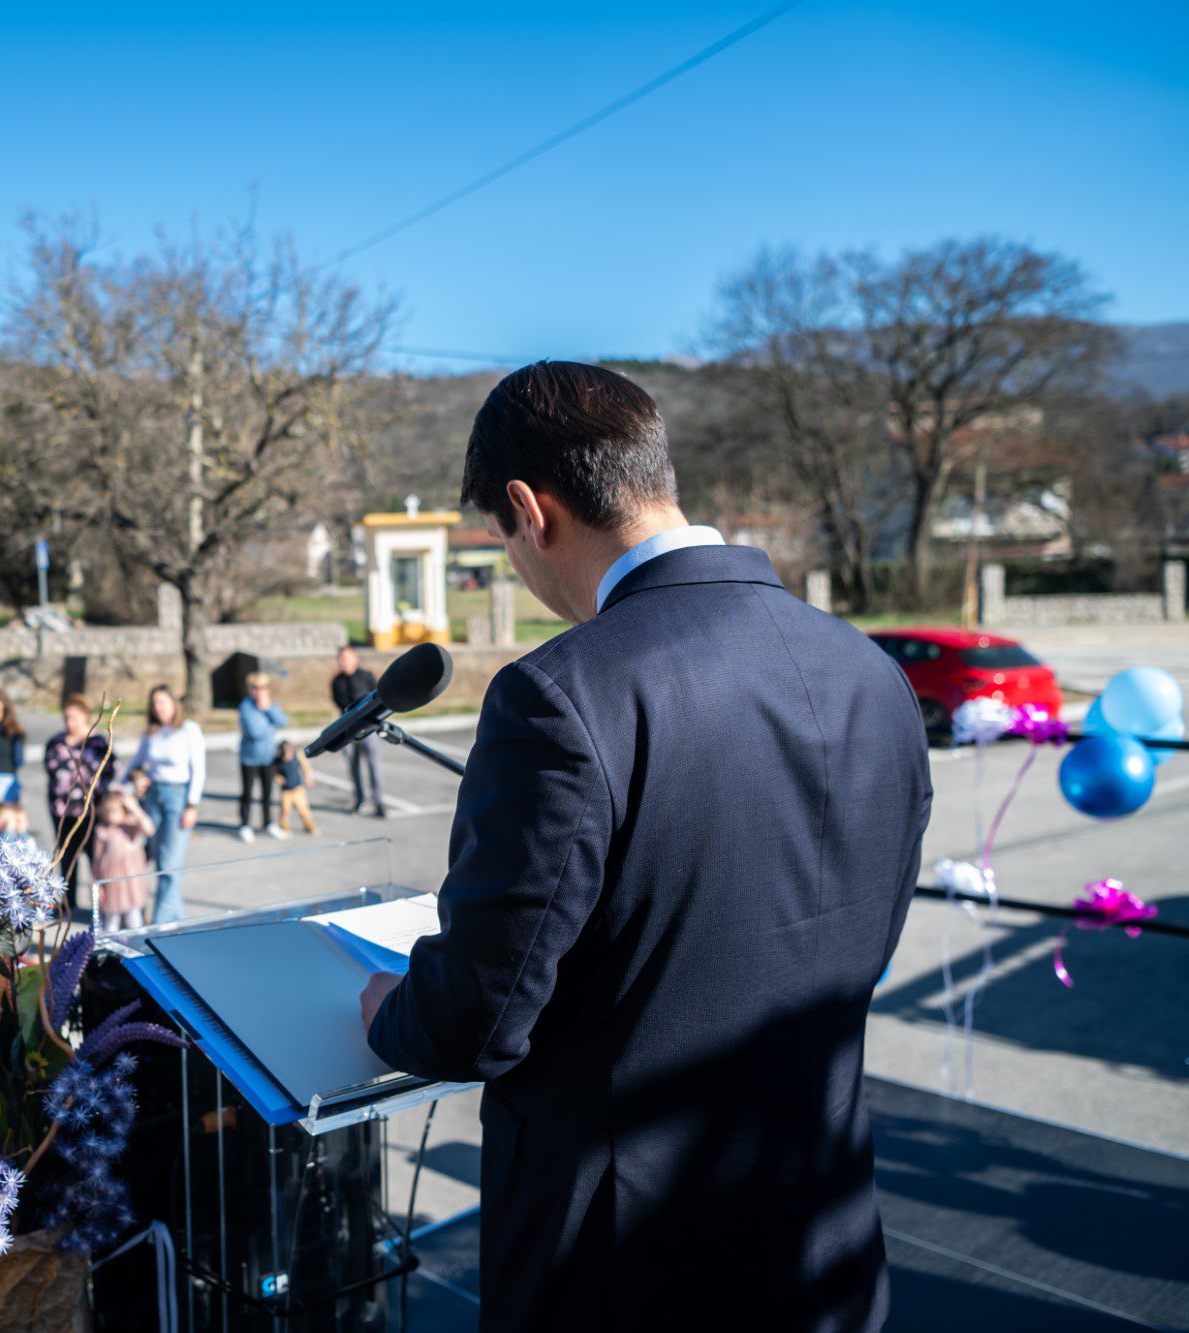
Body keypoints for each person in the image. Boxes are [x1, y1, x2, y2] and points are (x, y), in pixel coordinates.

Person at [359, 361, 932, 1332]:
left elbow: (473, 1021)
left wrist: (391, 1005)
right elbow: (859, 939)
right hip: (824, 1235)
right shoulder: (868, 669)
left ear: (527, 509)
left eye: (503, 541)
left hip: (625, 1264)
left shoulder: (560, 695)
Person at [127, 685, 204, 925]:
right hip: (153, 796)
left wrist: (192, 805)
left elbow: (199, 770)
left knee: (170, 862)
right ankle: (174, 916)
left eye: (162, 702)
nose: (157, 708)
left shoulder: (188, 730)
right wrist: (123, 783)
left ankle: (160, 922)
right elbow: (137, 762)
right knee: (154, 859)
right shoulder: (151, 733)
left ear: (173, 703)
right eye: (154, 703)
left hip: (178, 797)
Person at [43, 694, 114, 899]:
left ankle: (100, 905)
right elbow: (50, 771)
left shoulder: (98, 743)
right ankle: (68, 904)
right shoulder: (56, 742)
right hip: (62, 811)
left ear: (85, 716)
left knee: (96, 858)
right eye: (66, 718)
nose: (69, 722)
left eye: (73, 717)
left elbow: (109, 772)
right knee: (66, 858)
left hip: (90, 811)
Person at [330, 646, 386, 817]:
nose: (343, 661)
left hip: (368, 727)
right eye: (341, 658)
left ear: (354, 658)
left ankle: (379, 802)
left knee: (373, 765)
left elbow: (378, 697)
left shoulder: (366, 675)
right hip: (348, 730)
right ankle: (360, 800)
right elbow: (339, 703)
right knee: (354, 767)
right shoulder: (337, 681)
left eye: (346, 658)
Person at [88, 790, 154, 932]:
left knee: (134, 918)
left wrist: (134, 808)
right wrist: (97, 884)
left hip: (131, 881)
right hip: (112, 883)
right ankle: (111, 944)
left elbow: (149, 829)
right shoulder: (102, 831)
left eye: (114, 811)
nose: (110, 815)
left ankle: (137, 941)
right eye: (107, 811)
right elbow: (97, 860)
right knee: (111, 920)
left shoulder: (131, 828)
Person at [235, 673, 288, 842]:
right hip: (249, 758)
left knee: (268, 793)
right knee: (247, 793)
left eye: (263, 687)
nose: (259, 691)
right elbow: (255, 732)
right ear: (250, 689)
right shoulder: (245, 707)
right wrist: (270, 722)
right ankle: (245, 825)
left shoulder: (271, 706)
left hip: (268, 757)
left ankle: (268, 823)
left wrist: (269, 709)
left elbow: (283, 721)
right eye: (255, 688)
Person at [273, 740, 318, 835]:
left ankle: (308, 824)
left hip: (298, 789)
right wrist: (278, 778)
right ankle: (283, 826)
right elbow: (274, 773)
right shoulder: (277, 761)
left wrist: (308, 776)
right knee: (285, 810)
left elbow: (306, 766)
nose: (287, 758)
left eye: (288, 755)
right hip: (286, 791)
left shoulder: (297, 756)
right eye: (284, 757)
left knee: (303, 810)